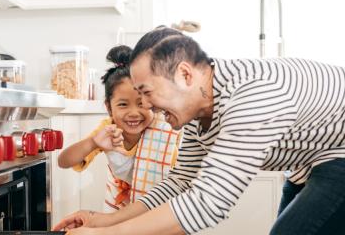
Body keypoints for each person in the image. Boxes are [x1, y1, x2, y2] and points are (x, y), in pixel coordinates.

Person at [53, 26, 345, 235]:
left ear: (184, 74)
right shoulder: (197, 109)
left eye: (147, 92)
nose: (145, 106)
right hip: (309, 160)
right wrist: (102, 221)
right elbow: (180, 182)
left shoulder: (252, 96)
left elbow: (209, 202)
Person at [58, 45, 181, 212]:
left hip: (161, 209)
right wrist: (94, 143)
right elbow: (64, 161)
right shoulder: (108, 129)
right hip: (119, 208)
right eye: (123, 104)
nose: (134, 113)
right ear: (109, 108)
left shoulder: (166, 127)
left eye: (141, 103)